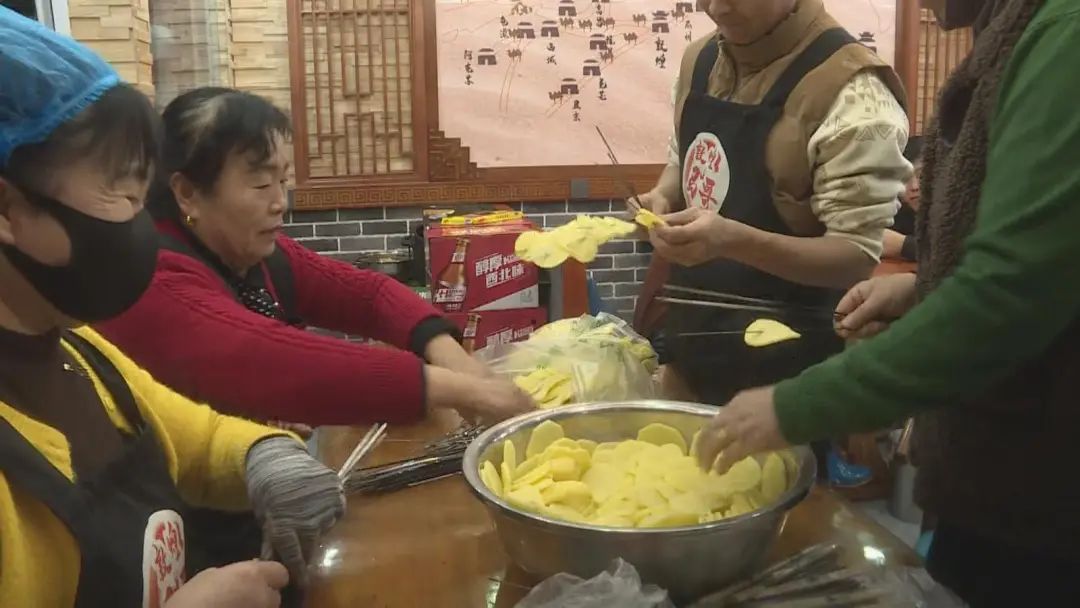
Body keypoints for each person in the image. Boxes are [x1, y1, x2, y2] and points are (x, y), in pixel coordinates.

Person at [692, 0, 1080, 603]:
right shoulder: (1012, 31)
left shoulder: (1064, 36)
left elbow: (1010, 295)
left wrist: (796, 405)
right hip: (988, 481)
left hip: (1047, 498)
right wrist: (923, 292)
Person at [0, 9, 343, 607]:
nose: (143, 227)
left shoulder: (78, 350)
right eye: (123, 192)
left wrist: (265, 459)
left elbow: (195, 439)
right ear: (7, 210)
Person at [97, 87, 534, 429]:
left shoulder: (249, 250)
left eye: (283, 181)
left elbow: (367, 294)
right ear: (188, 193)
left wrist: (458, 361)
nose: (280, 203)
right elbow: (279, 361)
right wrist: (466, 392)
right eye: (260, 184)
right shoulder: (154, 280)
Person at [636, 0, 912, 407]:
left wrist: (732, 241)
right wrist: (664, 193)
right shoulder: (700, 60)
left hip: (794, 384)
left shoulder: (853, 91)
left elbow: (855, 257)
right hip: (690, 352)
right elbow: (685, 155)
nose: (715, 7)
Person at [882, 137, 922, 261]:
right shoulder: (894, 212)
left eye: (922, 175)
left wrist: (903, 245)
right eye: (904, 178)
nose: (914, 187)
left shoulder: (959, 209)